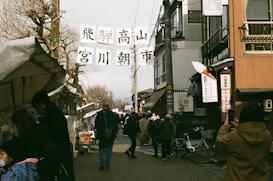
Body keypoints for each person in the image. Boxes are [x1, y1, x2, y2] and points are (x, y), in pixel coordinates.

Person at [216, 103, 272, 181]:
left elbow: (220, 141)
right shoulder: (267, 135)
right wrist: (241, 128)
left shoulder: (234, 137)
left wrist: (225, 126)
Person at [31, 90, 75, 180]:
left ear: (40, 103)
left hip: (58, 155)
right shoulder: (54, 112)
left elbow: (50, 137)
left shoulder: (51, 116)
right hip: (62, 153)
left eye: (36, 108)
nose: (37, 111)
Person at [95, 104, 119, 171]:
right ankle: (108, 164)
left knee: (101, 149)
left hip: (102, 135)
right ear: (109, 107)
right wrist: (114, 134)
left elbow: (96, 125)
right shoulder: (112, 114)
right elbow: (116, 126)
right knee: (109, 149)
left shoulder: (99, 114)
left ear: (103, 107)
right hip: (111, 135)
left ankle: (102, 162)